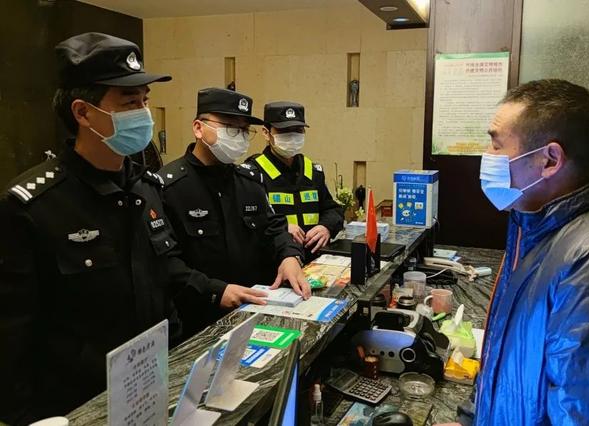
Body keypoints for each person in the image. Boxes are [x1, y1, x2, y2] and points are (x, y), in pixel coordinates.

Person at [0, 32, 182, 424]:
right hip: (73, 407)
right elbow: (13, 334)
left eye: (145, 100)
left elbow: (160, 284)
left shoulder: (146, 188)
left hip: (147, 393)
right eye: (129, 103)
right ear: (83, 113)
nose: (145, 114)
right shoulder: (32, 207)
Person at [452, 79, 589, 425]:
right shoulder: (534, 230)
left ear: (550, 160)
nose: (486, 156)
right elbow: (507, 363)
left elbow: (588, 413)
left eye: (496, 144)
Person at [159, 88, 309, 339]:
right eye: (230, 127)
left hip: (253, 314)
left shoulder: (249, 181)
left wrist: (289, 255)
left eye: (244, 130)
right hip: (197, 321)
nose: (239, 137)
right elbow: (166, 264)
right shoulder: (168, 187)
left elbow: (273, 227)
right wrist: (216, 291)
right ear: (198, 128)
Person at [247, 101, 344, 260]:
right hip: (274, 261)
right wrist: (282, 227)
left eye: (298, 130)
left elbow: (332, 209)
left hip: (313, 260)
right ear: (266, 132)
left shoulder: (312, 170)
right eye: (284, 130)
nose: (292, 136)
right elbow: (248, 221)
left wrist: (326, 227)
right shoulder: (253, 172)